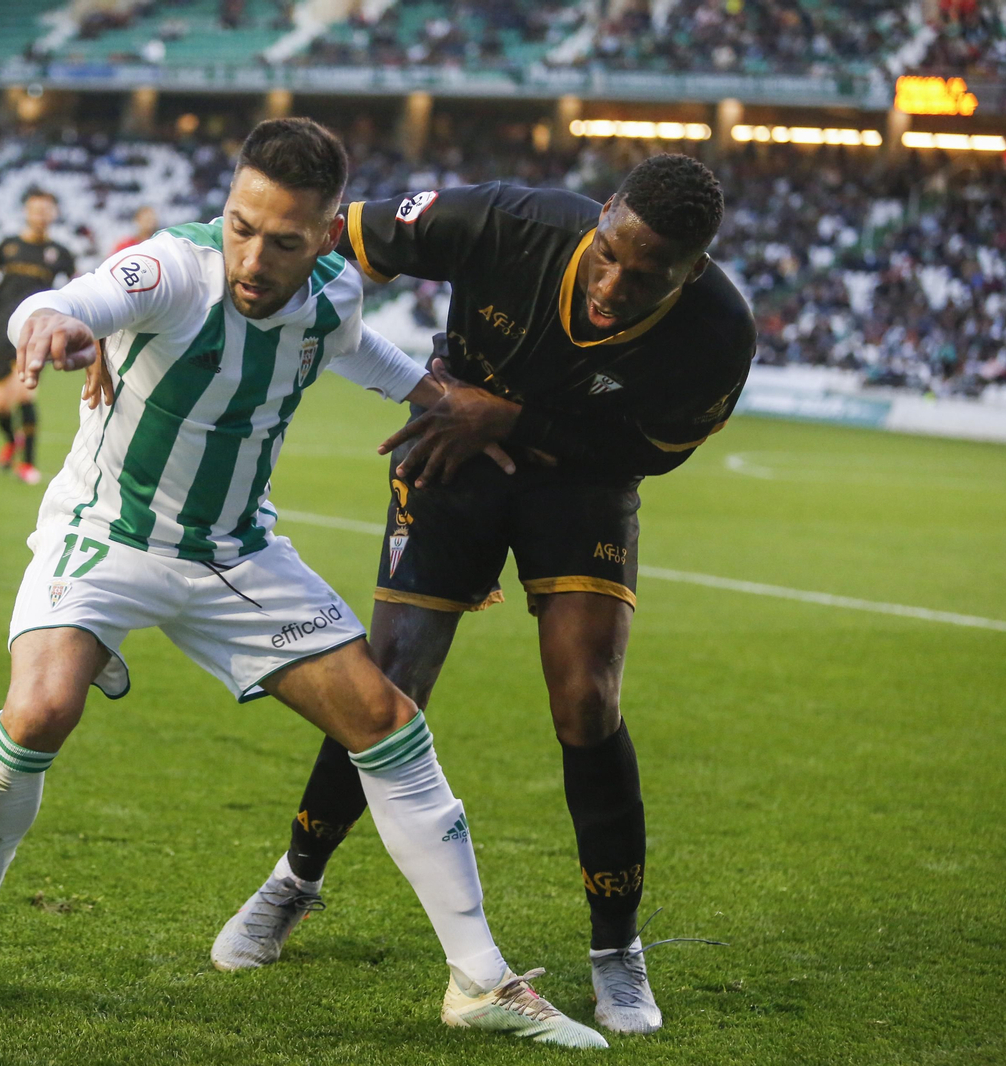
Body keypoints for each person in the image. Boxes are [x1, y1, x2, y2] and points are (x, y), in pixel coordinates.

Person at [0, 118, 606, 1049]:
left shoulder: (332, 297)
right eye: (240, 225)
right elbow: (68, 299)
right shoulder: (171, 269)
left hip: (236, 555)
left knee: (388, 722)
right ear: (226, 208)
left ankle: (480, 980)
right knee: (39, 711)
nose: (252, 256)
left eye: (282, 240)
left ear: (324, 235)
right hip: (108, 535)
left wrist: (441, 401)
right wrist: (55, 327)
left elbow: (360, 352)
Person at [210, 155, 756, 1038]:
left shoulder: (719, 333)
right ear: (600, 215)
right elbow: (334, 238)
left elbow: (655, 450)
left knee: (587, 698)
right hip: (451, 448)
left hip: (583, 479)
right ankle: (294, 880)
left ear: (692, 272)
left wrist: (513, 419)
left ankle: (616, 949)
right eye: (610, 251)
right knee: (388, 684)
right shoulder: (510, 222)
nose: (615, 283)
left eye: (647, 274)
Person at [0, 188, 76, 485]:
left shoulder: (60, 253)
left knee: (26, 394)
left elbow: (76, 285)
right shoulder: (7, 246)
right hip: (1, 331)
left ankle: (28, 464)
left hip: (36, 333)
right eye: (36, 209)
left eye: (47, 210)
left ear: (55, 214)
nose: (41, 215)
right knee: (0, 405)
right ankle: (11, 440)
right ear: (26, 212)